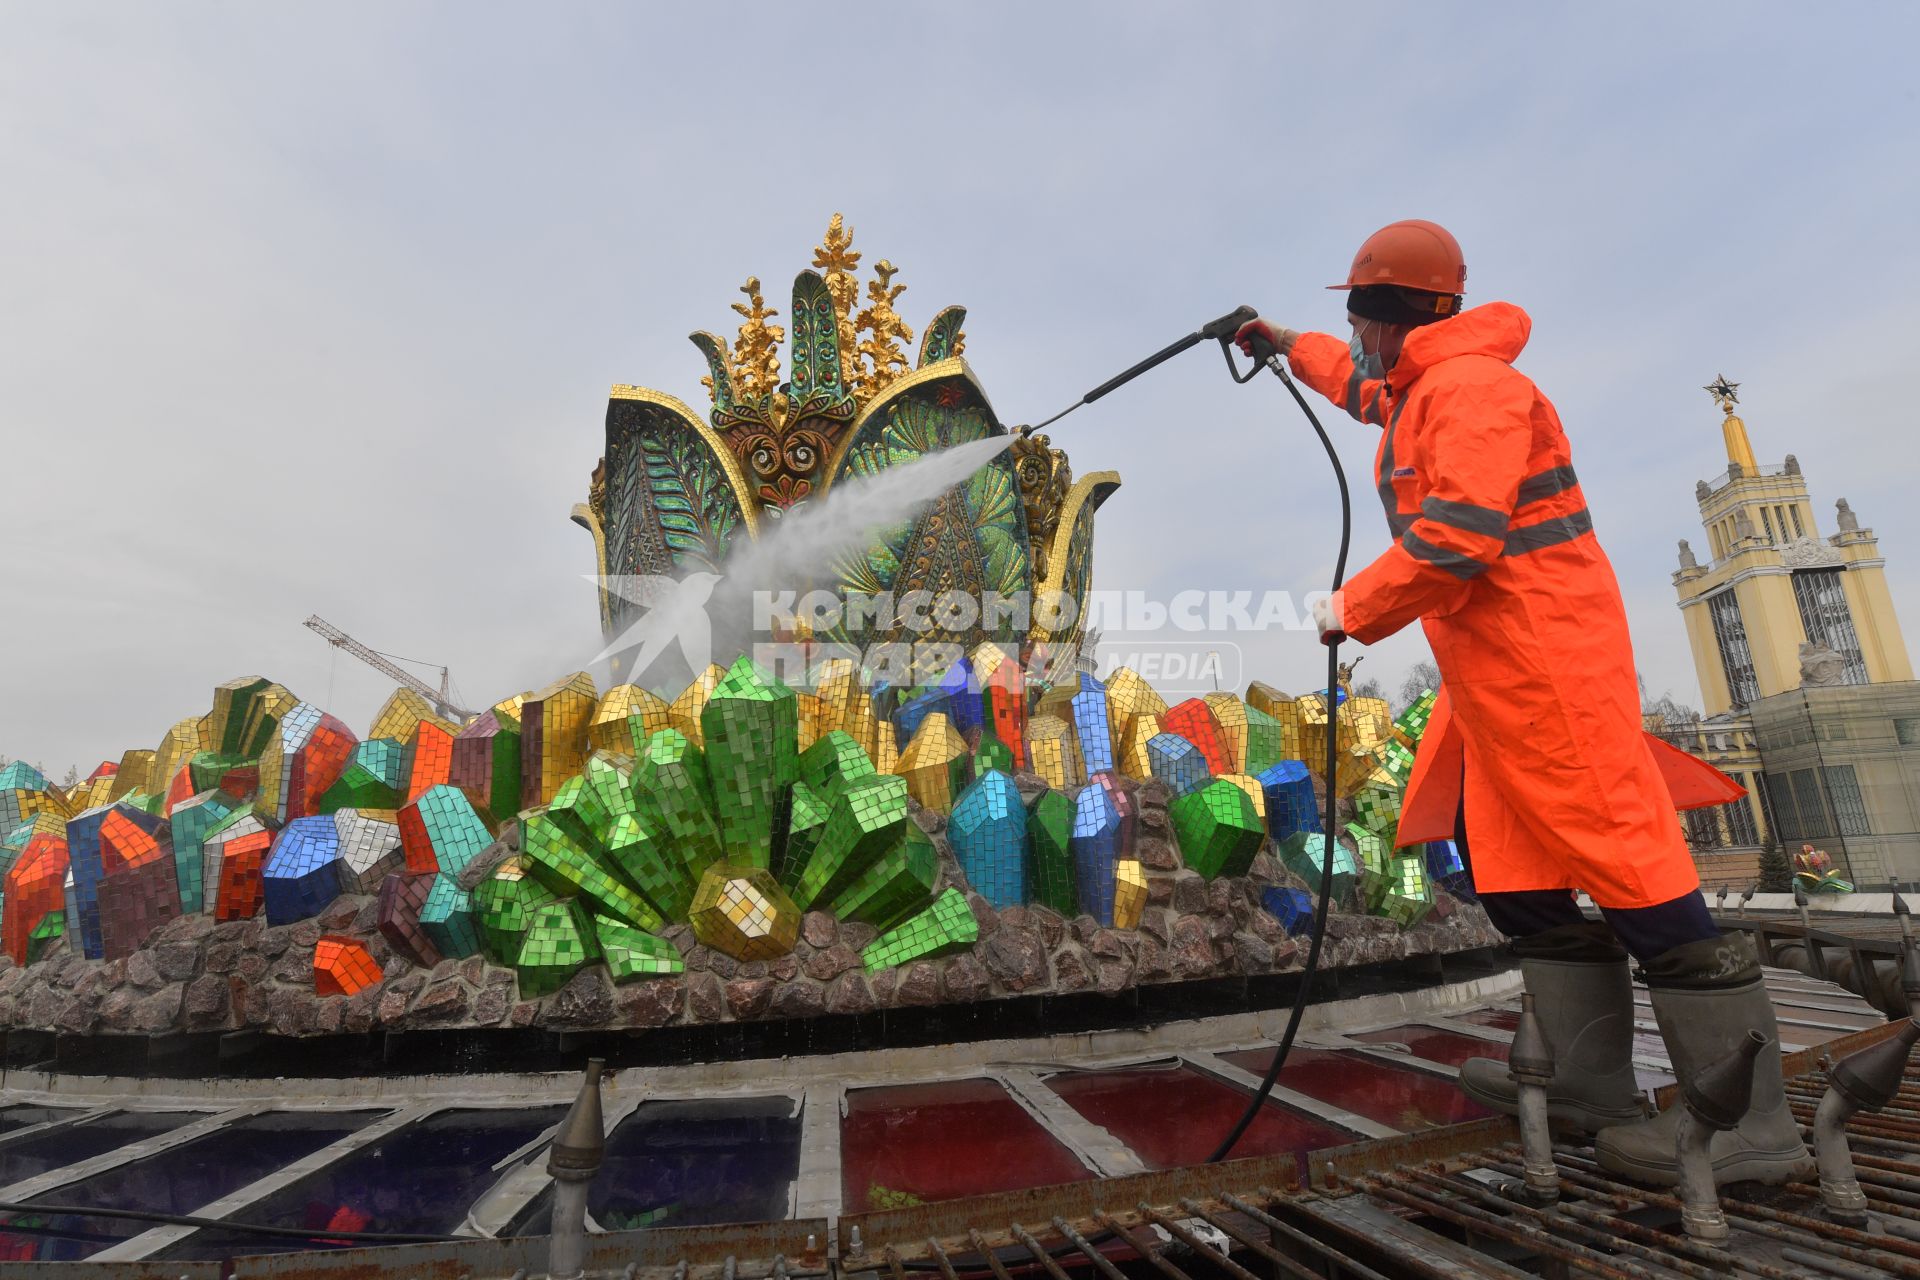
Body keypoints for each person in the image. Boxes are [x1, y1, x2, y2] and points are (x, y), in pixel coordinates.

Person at [1235, 220, 1811, 1187]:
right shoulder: (1422, 387)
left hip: (1550, 669)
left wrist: (1351, 609)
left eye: (1355, 317)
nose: (1358, 339)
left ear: (1384, 315)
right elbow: (1361, 389)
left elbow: (1459, 536)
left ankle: (1746, 1123)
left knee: (1636, 871)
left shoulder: (1474, 393)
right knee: (1514, 879)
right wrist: (1283, 341)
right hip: (1491, 678)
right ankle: (1592, 1087)